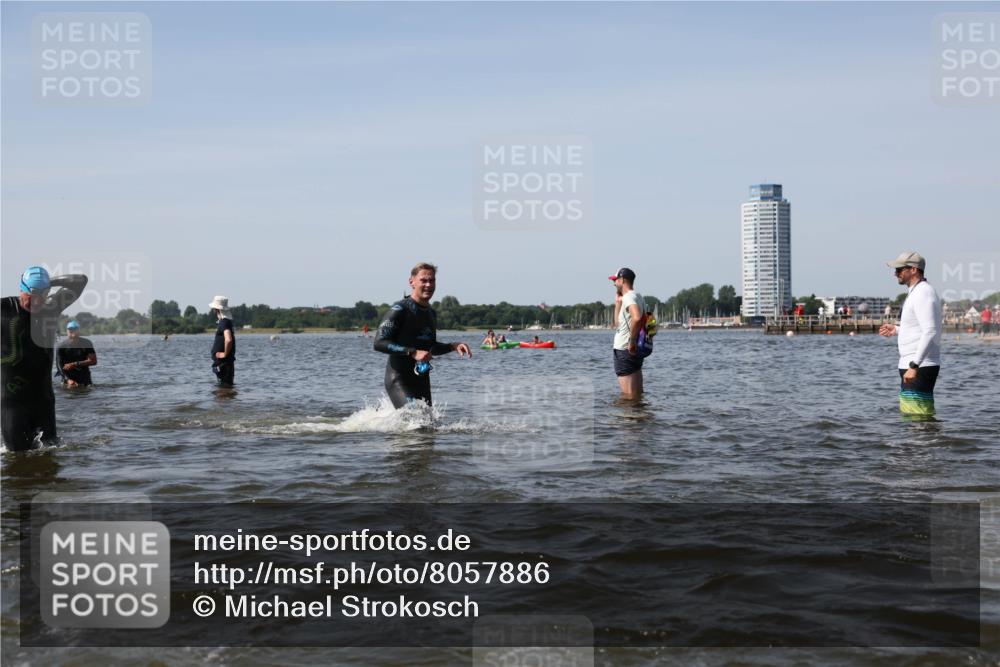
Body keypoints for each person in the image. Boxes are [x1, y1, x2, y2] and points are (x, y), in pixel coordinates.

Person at [1, 266, 87, 451]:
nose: (37, 301)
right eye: (32, 296)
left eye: (43, 295)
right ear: (21, 289)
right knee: (17, 459)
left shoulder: (51, 308)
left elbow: (80, 281)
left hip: (43, 401)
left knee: (50, 457)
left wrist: (49, 282)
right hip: (13, 403)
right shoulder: (4, 308)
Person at [374, 263, 471, 408]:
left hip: (421, 378)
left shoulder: (431, 313)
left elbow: (430, 346)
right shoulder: (399, 309)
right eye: (423, 280)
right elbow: (379, 343)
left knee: (428, 427)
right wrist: (412, 352)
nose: (428, 285)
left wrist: (452, 346)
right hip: (399, 379)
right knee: (416, 419)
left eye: (432, 280)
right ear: (411, 282)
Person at [879, 252, 942, 417]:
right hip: (914, 364)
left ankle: (924, 443)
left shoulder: (923, 293)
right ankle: (920, 443)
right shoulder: (916, 292)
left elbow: (930, 331)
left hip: (919, 365)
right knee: (913, 415)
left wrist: (914, 365)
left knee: (918, 416)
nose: (895, 273)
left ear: (913, 269)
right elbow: (920, 327)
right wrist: (897, 329)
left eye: (899, 269)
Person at [609, 267, 645, 399]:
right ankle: (639, 417)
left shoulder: (629, 297)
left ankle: (628, 419)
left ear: (622, 280)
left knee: (628, 397)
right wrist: (617, 303)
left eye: (616, 280)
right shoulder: (637, 296)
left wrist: (632, 341)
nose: (614, 284)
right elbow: (617, 324)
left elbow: (636, 317)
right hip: (633, 351)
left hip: (625, 350)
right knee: (637, 394)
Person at [56, 320, 97, 387]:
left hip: (84, 377)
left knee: (87, 394)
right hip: (68, 376)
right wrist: (68, 379)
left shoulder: (87, 343)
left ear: (78, 331)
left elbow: (93, 361)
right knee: (69, 393)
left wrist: (74, 364)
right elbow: (59, 366)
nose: (72, 332)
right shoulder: (61, 346)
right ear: (67, 331)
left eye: (75, 329)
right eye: (70, 330)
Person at [208, 295, 236, 386]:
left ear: (217, 310)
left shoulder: (224, 322)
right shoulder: (225, 322)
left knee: (223, 394)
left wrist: (224, 354)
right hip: (224, 364)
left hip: (224, 364)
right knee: (225, 392)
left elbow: (228, 340)